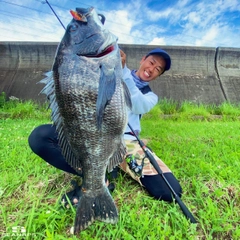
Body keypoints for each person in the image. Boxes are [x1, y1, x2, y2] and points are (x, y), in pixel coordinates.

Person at [28, 48, 182, 206]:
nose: (151, 69)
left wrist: (123, 71)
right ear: (143, 59)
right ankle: (100, 177)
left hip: (126, 143)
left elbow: (137, 105)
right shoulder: (109, 73)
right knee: (40, 136)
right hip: (95, 135)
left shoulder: (150, 97)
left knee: (169, 190)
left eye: (158, 69)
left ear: (159, 75)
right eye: (151, 62)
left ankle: (110, 166)